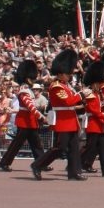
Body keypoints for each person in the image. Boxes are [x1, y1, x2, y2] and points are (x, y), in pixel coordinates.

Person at [31, 49, 86, 181]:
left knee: (73, 147)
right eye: (68, 74)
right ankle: (37, 165)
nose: (70, 76)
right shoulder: (56, 87)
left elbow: (73, 102)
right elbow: (68, 101)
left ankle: (74, 172)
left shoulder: (65, 86)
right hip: (62, 121)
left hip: (71, 120)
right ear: (61, 74)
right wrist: (82, 94)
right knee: (59, 148)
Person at [0, 59, 46, 172]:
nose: (34, 79)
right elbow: (30, 106)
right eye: (32, 77)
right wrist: (41, 117)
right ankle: (4, 163)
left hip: (30, 120)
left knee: (36, 144)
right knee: (17, 144)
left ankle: (42, 163)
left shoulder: (28, 89)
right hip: (25, 120)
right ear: (27, 78)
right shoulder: (24, 90)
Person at [79, 60, 104, 177]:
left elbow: (98, 108)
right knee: (90, 148)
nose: (102, 85)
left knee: (103, 147)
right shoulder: (90, 95)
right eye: (100, 83)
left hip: (99, 125)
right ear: (95, 83)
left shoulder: (97, 94)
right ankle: (78, 163)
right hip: (93, 125)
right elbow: (94, 111)